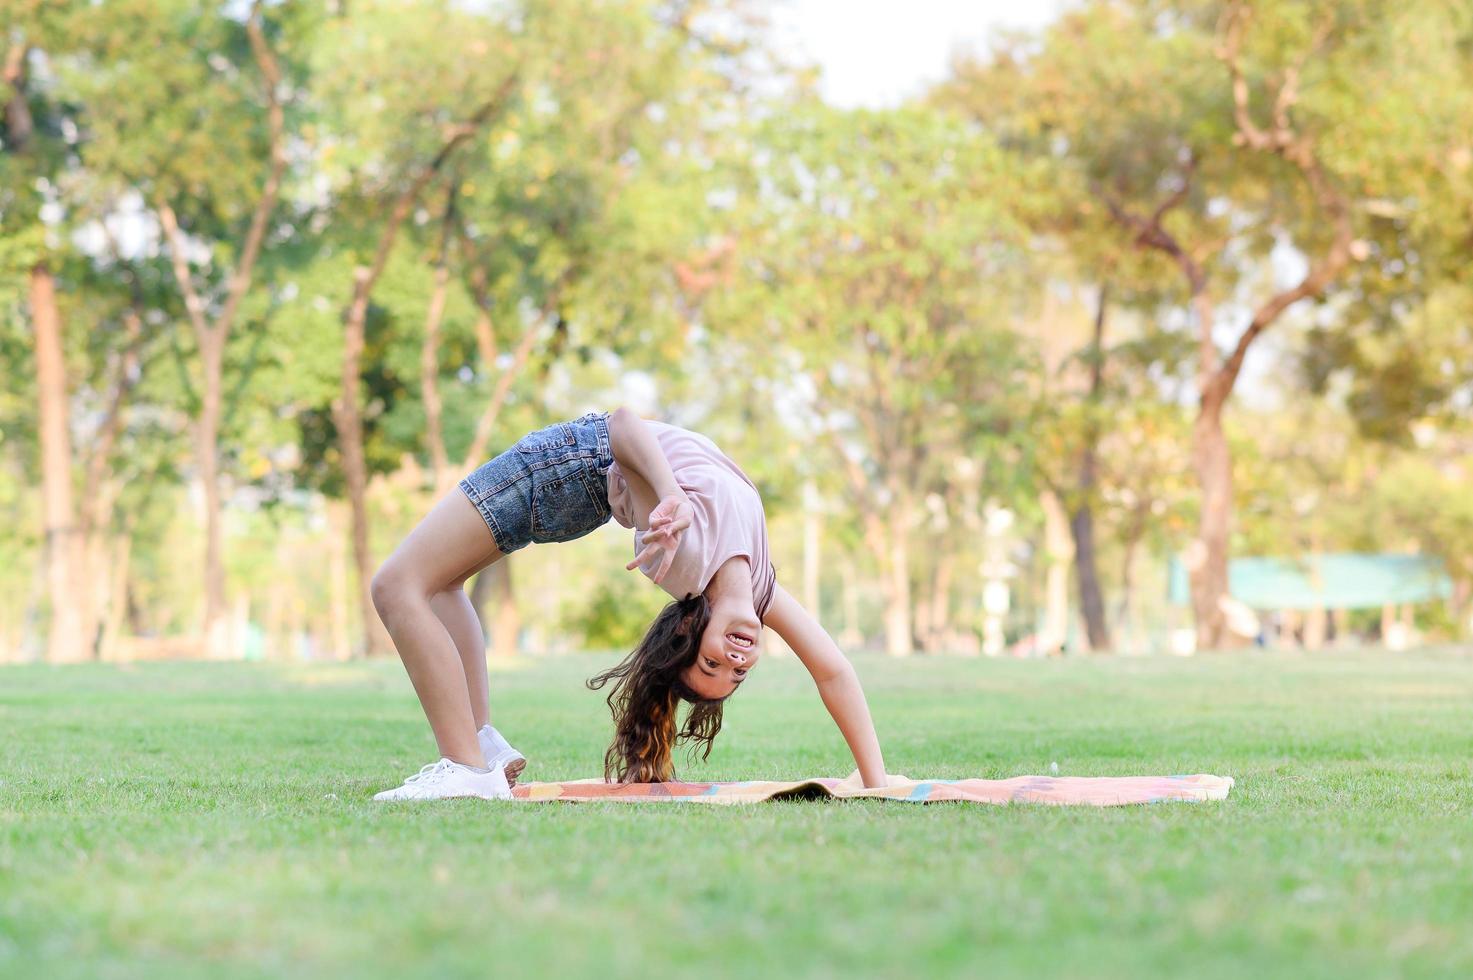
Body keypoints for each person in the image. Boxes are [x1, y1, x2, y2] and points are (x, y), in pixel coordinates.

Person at [369, 407, 887, 800]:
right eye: (736, 671)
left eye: (714, 663)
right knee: (442, 584)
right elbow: (833, 671)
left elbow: (621, 425)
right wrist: (876, 780)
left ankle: (464, 768)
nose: (736, 659)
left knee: (395, 586)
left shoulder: (683, 560)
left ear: (690, 630)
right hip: (579, 478)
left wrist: (669, 495)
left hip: (566, 466)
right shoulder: (759, 586)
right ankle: (480, 748)